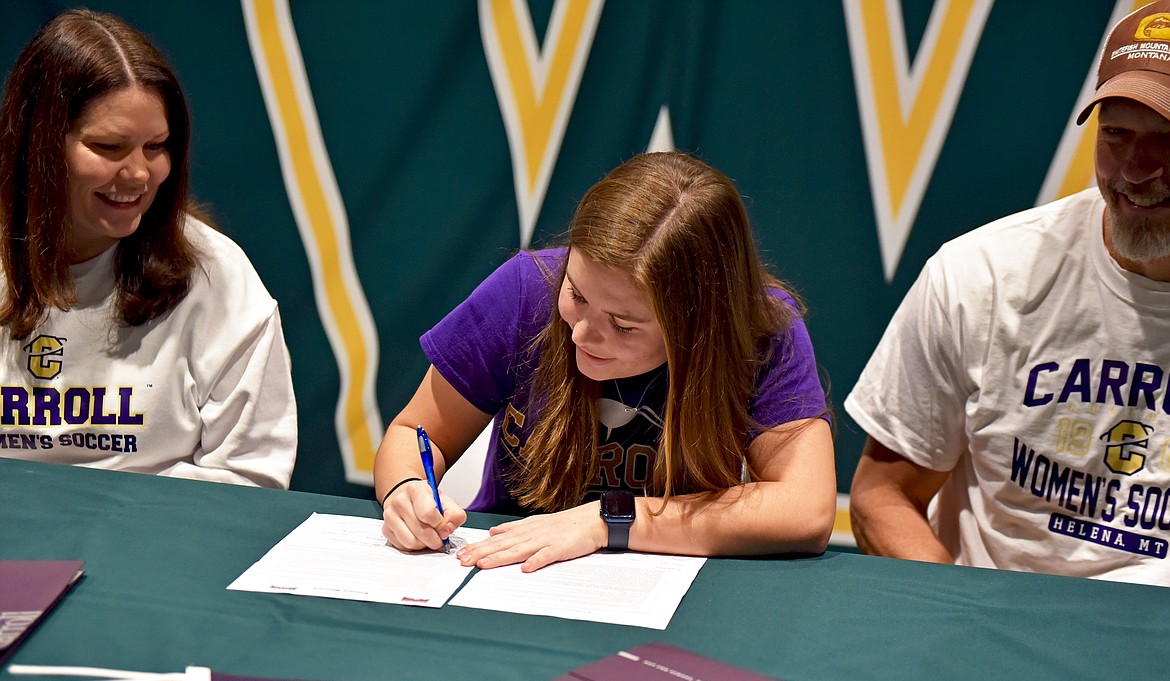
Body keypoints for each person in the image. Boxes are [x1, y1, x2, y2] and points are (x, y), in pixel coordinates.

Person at [376, 151, 835, 571]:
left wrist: (609, 521)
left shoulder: (759, 329)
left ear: (700, 326)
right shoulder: (525, 289)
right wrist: (405, 490)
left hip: (674, 585)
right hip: (509, 570)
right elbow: (413, 434)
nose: (582, 334)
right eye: (575, 294)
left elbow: (805, 509)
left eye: (624, 324)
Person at [845, 1, 1170, 586]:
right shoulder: (982, 276)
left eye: (1169, 140)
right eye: (1116, 134)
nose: (1137, 169)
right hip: (992, 636)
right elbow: (881, 495)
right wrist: (964, 626)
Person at [0, 10, 297, 488]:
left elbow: (252, 476)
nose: (139, 174)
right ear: (39, 145)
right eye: (109, 147)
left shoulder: (216, 275)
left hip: (159, 548)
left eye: (156, 146)